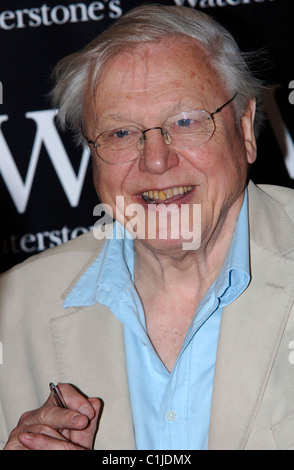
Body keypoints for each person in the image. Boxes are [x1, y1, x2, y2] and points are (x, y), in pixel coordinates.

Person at [1, 4, 294, 451]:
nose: (156, 160)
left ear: (247, 128)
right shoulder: (13, 310)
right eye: (120, 133)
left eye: (186, 121)